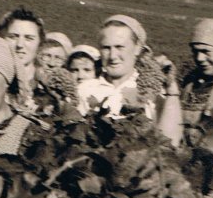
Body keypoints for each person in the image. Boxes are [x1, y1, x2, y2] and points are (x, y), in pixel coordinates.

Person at [77, 15, 182, 146]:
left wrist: (172, 88)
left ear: (137, 48)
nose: (112, 56)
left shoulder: (152, 92)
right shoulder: (84, 90)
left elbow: (170, 143)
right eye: (106, 48)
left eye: (119, 47)